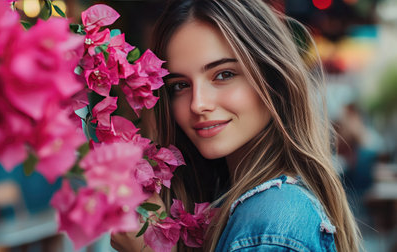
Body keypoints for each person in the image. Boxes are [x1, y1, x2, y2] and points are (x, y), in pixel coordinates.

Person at [112, 0, 361, 251]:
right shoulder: (235, 203)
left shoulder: (271, 222)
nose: (198, 104)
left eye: (224, 74)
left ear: (273, 79)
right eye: (180, 85)